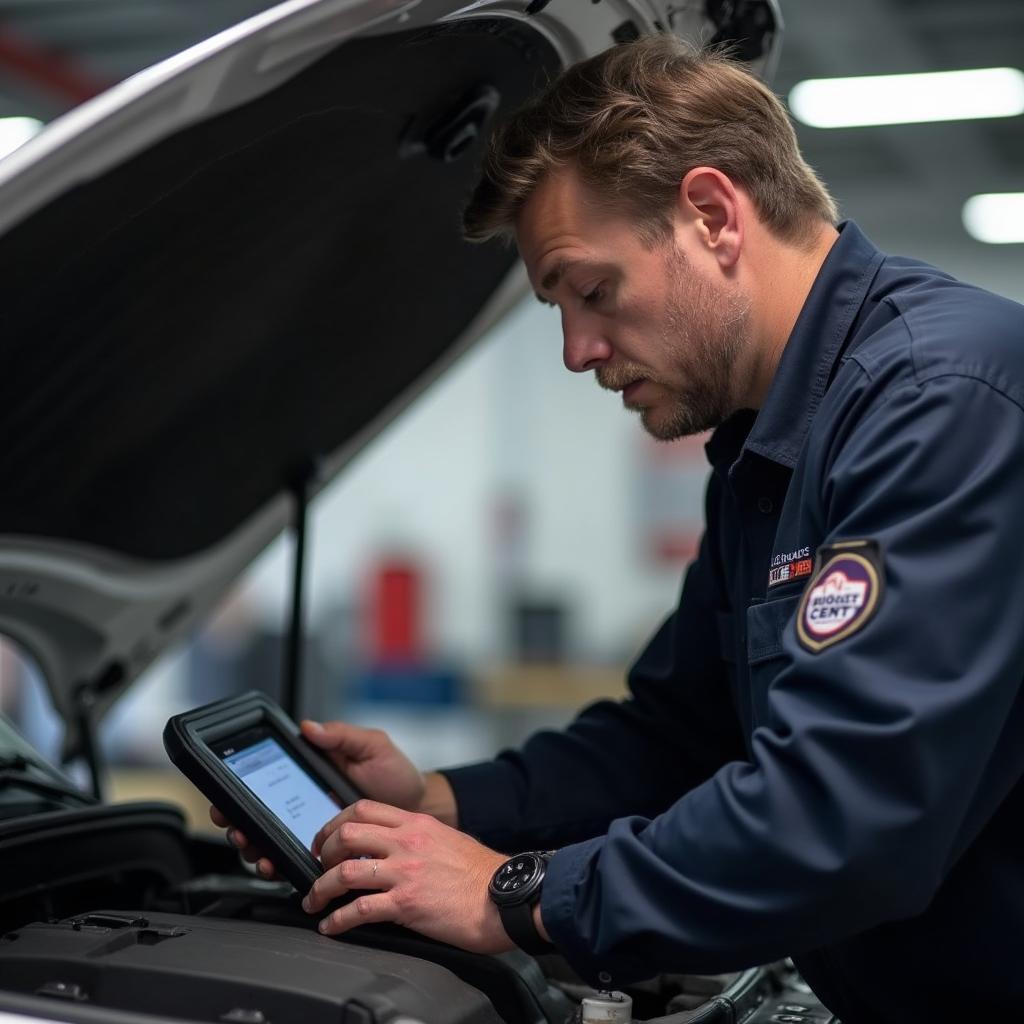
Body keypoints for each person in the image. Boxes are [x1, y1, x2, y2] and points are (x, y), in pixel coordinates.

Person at [212, 35, 1024, 1023]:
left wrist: (514, 893)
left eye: (592, 291)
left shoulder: (940, 403)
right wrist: (446, 805)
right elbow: (677, 737)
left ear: (714, 216)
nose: (575, 350)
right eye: (557, 308)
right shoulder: (769, 452)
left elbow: (847, 822)